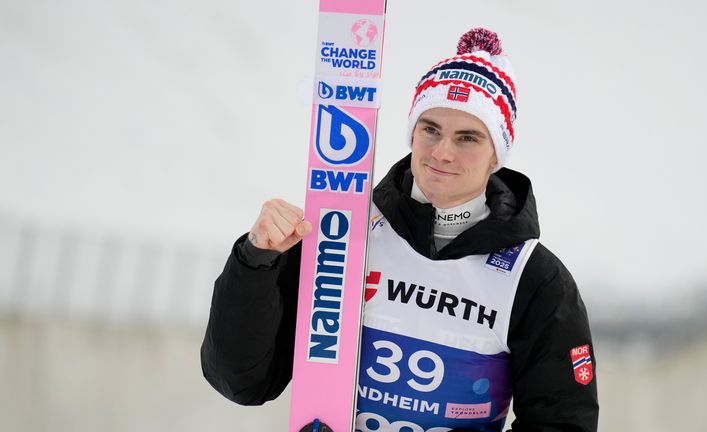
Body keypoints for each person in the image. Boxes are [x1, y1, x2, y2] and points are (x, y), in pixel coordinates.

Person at [201, 28, 599, 432]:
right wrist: (255, 261)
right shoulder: (344, 235)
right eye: (431, 130)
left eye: (467, 138)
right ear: (412, 133)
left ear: (496, 153)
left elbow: (562, 423)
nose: (442, 152)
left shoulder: (533, 278)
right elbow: (242, 382)